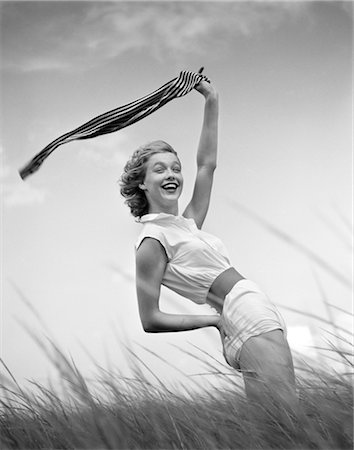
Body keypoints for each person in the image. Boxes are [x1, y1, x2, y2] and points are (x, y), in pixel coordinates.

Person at [120, 77, 298, 427]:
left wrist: (211, 98)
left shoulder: (185, 225)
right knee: (288, 421)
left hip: (253, 313)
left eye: (175, 168)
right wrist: (215, 319)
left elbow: (206, 165)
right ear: (142, 182)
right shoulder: (152, 240)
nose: (172, 174)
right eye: (160, 169)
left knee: (273, 429)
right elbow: (150, 319)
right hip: (242, 315)